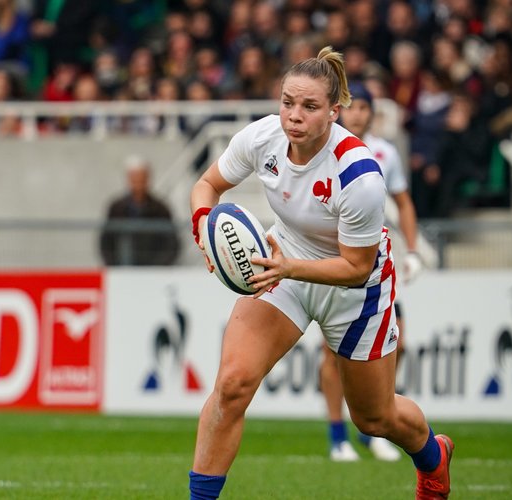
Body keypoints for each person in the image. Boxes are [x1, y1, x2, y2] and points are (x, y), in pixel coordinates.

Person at [188, 47, 453, 500]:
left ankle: (433, 456)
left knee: (375, 418)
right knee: (232, 385)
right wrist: (203, 229)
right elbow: (207, 185)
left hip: (357, 287)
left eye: (309, 106)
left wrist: (289, 268)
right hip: (284, 262)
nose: (294, 115)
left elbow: (356, 267)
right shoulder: (262, 137)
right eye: (288, 102)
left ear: (334, 112)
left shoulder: (359, 174)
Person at [320, 81, 424, 462]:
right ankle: (337, 435)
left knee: (393, 343)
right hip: (334, 261)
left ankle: (373, 427)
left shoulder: (385, 153)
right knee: (330, 353)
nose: (359, 113)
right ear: (341, 110)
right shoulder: (325, 149)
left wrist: (412, 250)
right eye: (354, 106)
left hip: (375, 267)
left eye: (365, 107)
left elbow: (403, 202)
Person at [99, 155, 180, 266]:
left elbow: (172, 243)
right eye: (134, 178)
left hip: (154, 271)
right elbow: (106, 241)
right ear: (128, 179)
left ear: (147, 179)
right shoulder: (116, 208)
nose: (138, 183)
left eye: (141, 178)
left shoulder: (160, 209)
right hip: (124, 269)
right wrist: (115, 264)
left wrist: (159, 266)